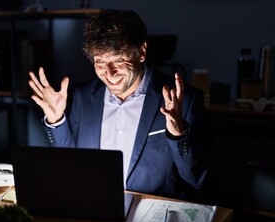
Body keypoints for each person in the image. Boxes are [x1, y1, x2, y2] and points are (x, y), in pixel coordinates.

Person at [28, 10, 209, 200]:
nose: (110, 73)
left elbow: (198, 180)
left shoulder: (184, 101)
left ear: (141, 52)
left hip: (154, 221)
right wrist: (56, 120)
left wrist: (178, 135)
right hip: (96, 214)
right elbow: (71, 167)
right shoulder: (83, 96)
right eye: (100, 62)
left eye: (119, 60)